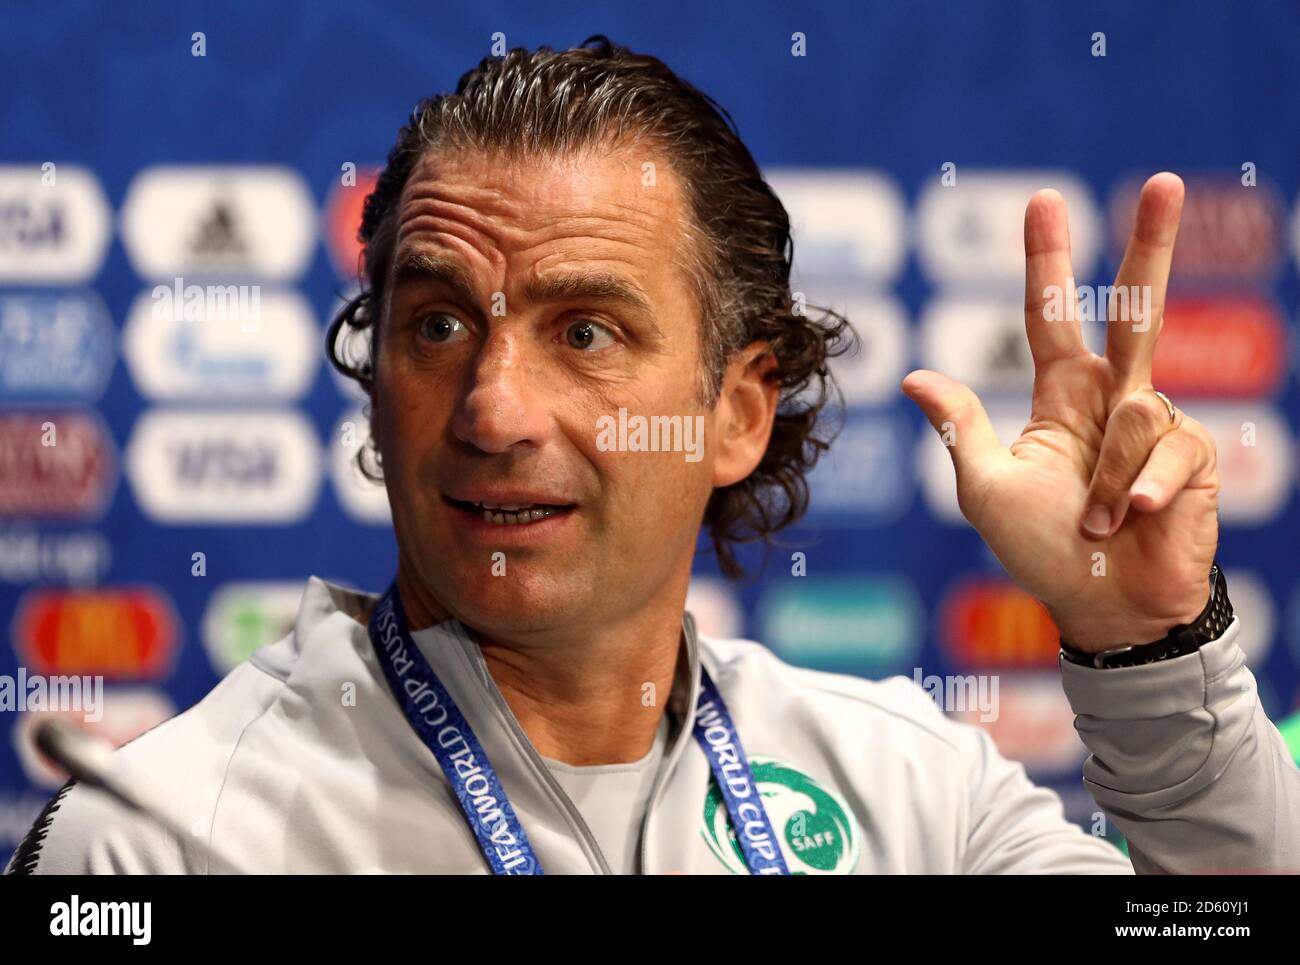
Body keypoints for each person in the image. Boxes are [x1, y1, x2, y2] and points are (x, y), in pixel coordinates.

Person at [8, 36, 1298, 875]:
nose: (493, 410)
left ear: (741, 411)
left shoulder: (916, 799)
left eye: (586, 331)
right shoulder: (157, 847)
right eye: (439, 324)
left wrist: (1146, 646)